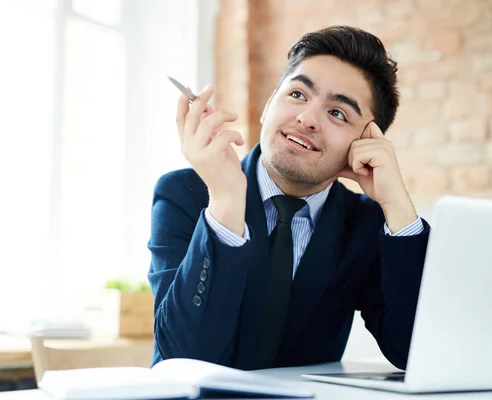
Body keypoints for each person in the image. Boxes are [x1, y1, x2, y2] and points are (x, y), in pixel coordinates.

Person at [147, 25, 429, 371]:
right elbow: (183, 357)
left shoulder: (363, 224)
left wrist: (396, 205)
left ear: (365, 142)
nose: (307, 118)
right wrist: (225, 205)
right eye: (297, 94)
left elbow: (414, 352)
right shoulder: (183, 194)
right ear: (268, 106)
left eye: (338, 113)